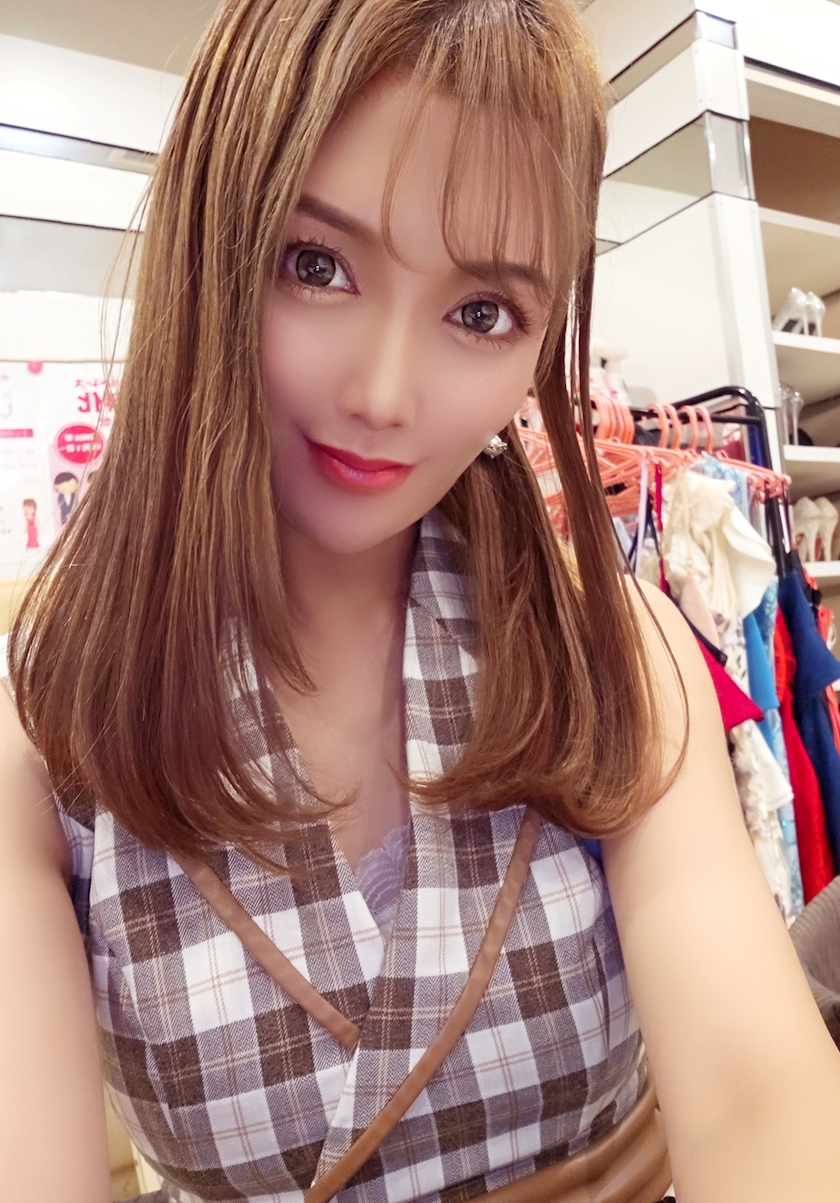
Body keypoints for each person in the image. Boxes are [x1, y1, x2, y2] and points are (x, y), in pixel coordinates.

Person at [1, 1, 839, 1201]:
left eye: (480, 313)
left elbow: (761, 1104)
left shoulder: (613, 651)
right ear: (208, 241)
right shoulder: (49, 723)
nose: (386, 395)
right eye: (316, 264)